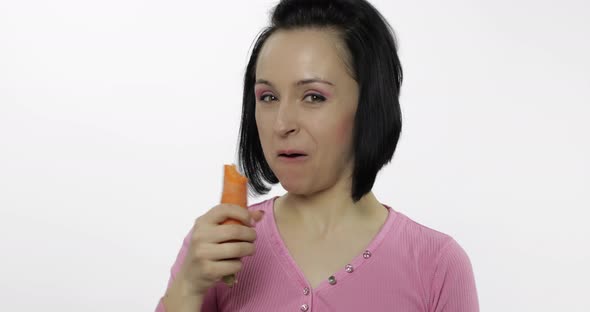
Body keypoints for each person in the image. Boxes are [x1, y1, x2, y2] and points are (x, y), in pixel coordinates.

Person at [156, 0, 479, 311]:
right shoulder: (216, 249)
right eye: (267, 96)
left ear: (369, 104)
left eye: (313, 96)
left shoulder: (437, 265)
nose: (281, 124)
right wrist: (187, 287)